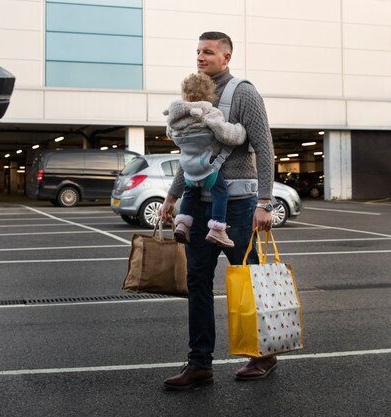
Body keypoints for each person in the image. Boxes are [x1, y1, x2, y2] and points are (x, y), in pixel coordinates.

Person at [159, 31, 276, 390]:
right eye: (197, 51)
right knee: (197, 284)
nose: (200, 57)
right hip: (199, 206)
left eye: (207, 52)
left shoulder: (243, 92)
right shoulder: (195, 98)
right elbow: (193, 158)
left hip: (238, 207)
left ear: (226, 57)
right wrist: (171, 196)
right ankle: (200, 364)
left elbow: (264, 147)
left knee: (248, 281)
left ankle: (263, 354)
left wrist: (265, 202)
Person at [164, 72, 246, 248]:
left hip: (188, 171)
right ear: (209, 97)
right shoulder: (209, 113)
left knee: (190, 194)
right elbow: (227, 134)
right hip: (207, 168)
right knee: (220, 193)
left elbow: (170, 133)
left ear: (185, 95)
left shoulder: (174, 118)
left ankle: (183, 225)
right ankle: (217, 228)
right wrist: (240, 129)